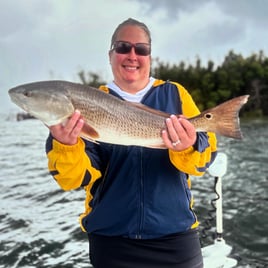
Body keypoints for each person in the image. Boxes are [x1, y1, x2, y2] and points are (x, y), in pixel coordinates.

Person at [46, 18, 217, 268]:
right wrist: (66, 145)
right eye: (123, 47)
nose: (132, 55)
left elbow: (203, 160)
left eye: (141, 49)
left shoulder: (175, 94)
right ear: (111, 54)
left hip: (176, 240)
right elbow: (72, 179)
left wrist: (187, 147)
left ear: (150, 55)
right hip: (112, 242)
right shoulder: (85, 105)